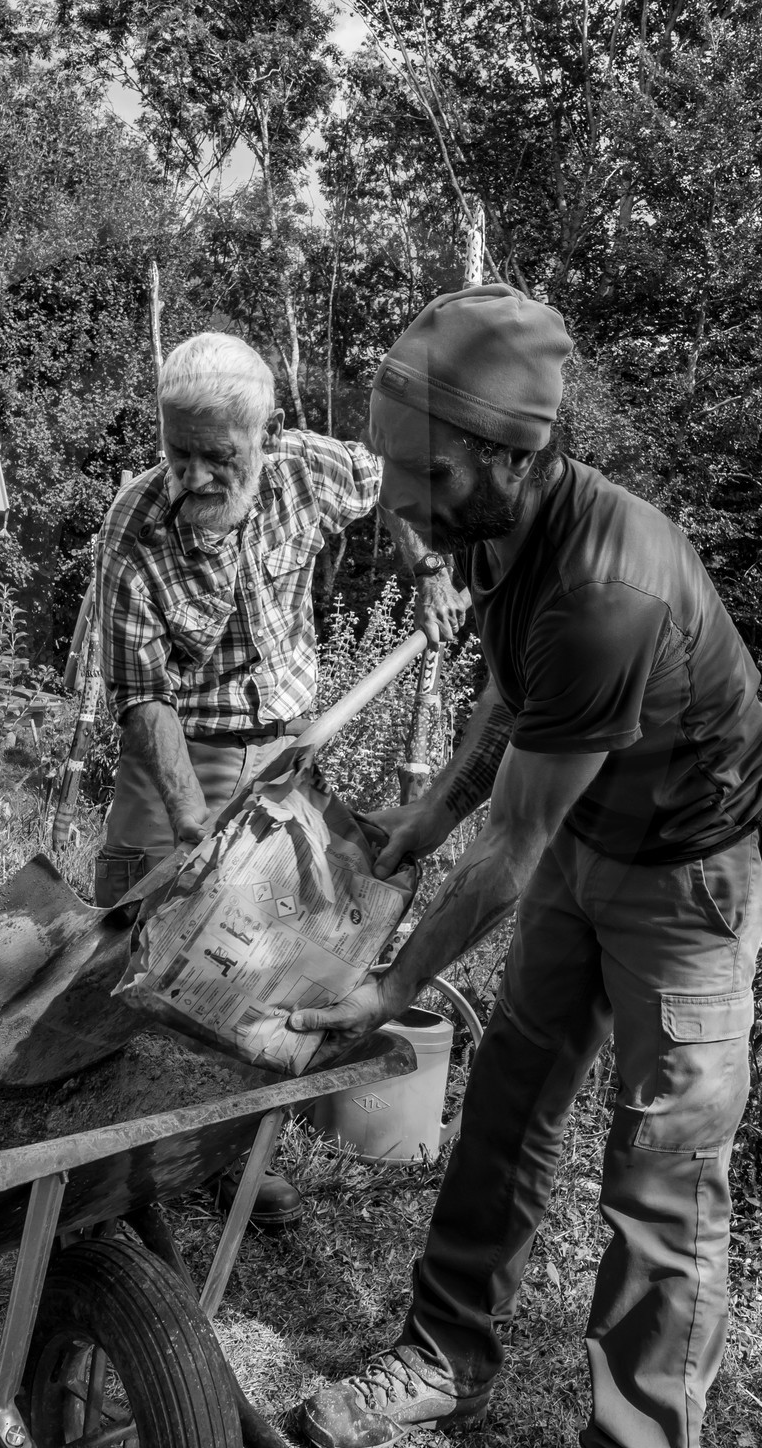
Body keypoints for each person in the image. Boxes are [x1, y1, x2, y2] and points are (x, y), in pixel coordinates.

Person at [289, 285, 762, 1448]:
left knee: (662, 1170)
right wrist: (421, 819)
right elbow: (507, 706)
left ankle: (640, 1434)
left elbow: (510, 851)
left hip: (690, 876)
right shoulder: (503, 531)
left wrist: (393, 987)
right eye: (392, 470)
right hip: (585, 837)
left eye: (426, 479)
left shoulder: (606, 588)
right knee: (508, 1102)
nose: (401, 507)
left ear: (509, 454)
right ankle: (444, 1357)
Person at [95, 330, 465, 1227]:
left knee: (269, 961)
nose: (193, 476)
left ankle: (229, 1156)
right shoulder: (136, 527)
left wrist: (426, 565)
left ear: (265, 437)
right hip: (181, 755)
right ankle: (117, 1159)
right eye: (176, 451)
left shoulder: (311, 472)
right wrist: (195, 834)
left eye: (218, 455)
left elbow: (400, 483)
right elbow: (145, 704)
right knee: (150, 956)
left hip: (291, 754)